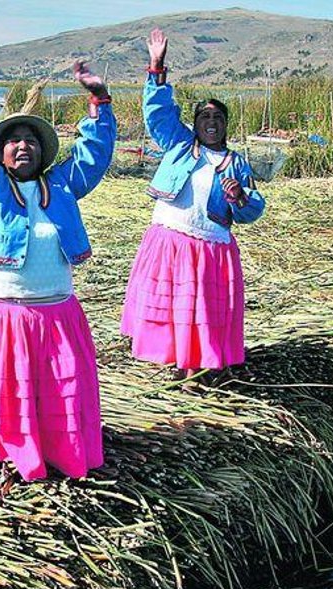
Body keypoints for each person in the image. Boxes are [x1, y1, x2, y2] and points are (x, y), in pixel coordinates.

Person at [0, 54, 116, 487]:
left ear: (43, 150)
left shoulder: (64, 185)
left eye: (31, 139)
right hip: (2, 316)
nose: (23, 146)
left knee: (56, 391)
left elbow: (95, 155)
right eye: (13, 140)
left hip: (57, 315)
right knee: (2, 390)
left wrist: (98, 97)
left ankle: (53, 451)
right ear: (2, 151)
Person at [121, 28, 265, 387]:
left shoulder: (236, 163)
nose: (211, 124)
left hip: (211, 249)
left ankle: (200, 366)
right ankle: (176, 362)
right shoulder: (180, 144)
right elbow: (158, 114)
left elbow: (252, 210)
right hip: (171, 240)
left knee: (202, 309)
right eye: (205, 118)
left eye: (218, 119)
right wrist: (157, 67)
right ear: (195, 123)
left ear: (226, 125)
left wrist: (240, 198)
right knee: (174, 305)